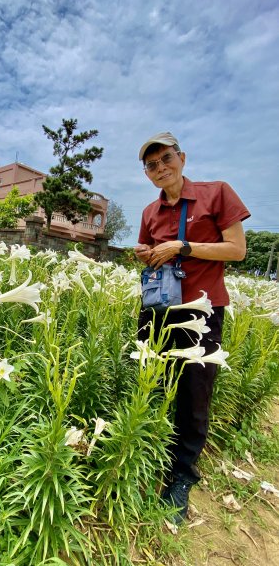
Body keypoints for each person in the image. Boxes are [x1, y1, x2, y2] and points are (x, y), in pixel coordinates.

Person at [134, 132, 250, 523]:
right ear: (147, 173)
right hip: (156, 308)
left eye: (165, 158)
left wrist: (183, 246)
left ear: (181, 157)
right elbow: (149, 260)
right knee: (155, 380)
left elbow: (236, 250)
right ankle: (153, 453)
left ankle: (182, 475)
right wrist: (147, 254)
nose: (160, 168)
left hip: (202, 308)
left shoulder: (216, 193)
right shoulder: (150, 212)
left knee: (194, 392)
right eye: (151, 165)